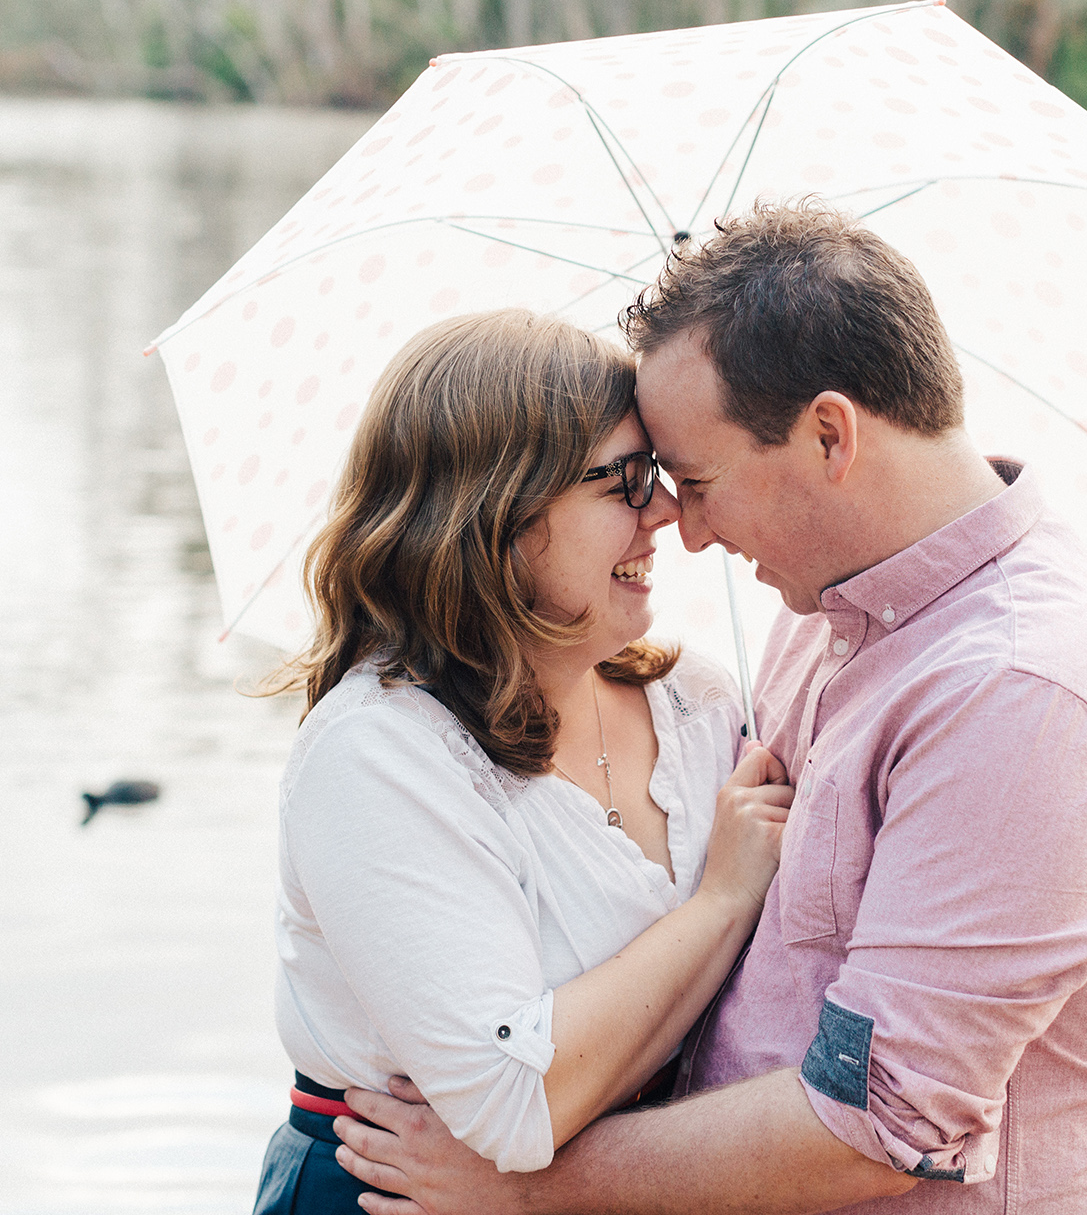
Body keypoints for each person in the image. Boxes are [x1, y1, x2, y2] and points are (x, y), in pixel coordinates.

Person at [331, 202, 1087, 1214]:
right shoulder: (825, 611)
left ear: (830, 434)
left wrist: (528, 1192)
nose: (687, 529)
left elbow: (878, 1126)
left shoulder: (1027, 693)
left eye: (697, 481)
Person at [249, 309, 794, 1215]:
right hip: (398, 1193)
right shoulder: (378, 755)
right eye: (623, 481)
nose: (665, 512)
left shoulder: (699, 704)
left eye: (656, 473)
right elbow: (513, 1100)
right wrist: (723, 901)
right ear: (496, 516)